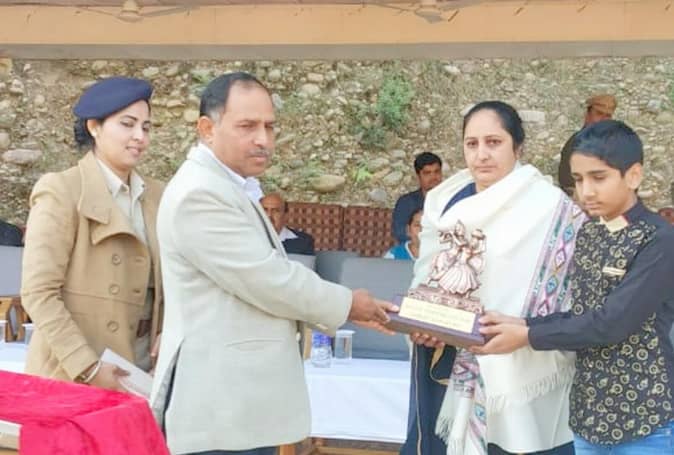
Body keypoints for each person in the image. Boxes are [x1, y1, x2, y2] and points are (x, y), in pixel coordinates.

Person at [150, 72, 398, 455]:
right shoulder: (200, 194)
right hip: (221, 411)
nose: (263, 139)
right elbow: (269, 280)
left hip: (238, 407)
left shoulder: (226, 186)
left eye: (269, 126)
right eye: (247, 126)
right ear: (207, 129)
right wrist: (348, 304)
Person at [475, 120, 674, 455]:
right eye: (579, 180)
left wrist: (527, 336)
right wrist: (521, 323)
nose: (586, 192)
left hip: (645, 418)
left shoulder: (659, 240)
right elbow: (581, 314)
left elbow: (611, 323)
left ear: (633, 176)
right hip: (587, 417)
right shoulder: (590, 233)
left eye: (599, 177)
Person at [400, 101, 585, 455]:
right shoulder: (444, 203)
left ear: (518, 147)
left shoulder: (550, 208)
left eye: (494, 142)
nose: (481, 154)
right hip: (448, 360)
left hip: (520, 365)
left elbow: (571, 294)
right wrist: (421, 321)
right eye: (472, 144)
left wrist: (523, 329)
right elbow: (425, 275)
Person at [20, 77, 164, 390]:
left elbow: (174, 283)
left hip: (142, 368)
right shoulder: (62, 190)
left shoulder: (158, 195)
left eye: (146, 127)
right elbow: (38, 292)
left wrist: (169, 332)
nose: (139, 137)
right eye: (127, 124)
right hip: (73, 372)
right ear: (94, 127)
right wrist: (87, 366)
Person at [558, 95, 616, 195]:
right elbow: (567, 183)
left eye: (607, 116)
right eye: (599, 114)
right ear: (588, 115)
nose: (603, 119)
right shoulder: (577, 144)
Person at [392, 152, 442, 244]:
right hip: (416, 249)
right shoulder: (406, 202)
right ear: (418, 176)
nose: (433, 177)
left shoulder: (451, 200)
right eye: (427, 173)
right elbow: (400, 234)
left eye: (437, 172)